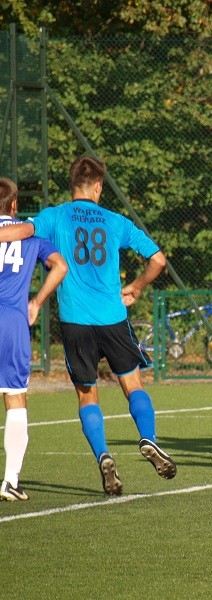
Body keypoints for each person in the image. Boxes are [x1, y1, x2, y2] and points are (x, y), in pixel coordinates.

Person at [0, 156, 176, 496]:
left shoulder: (55, 216)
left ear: (72, 186)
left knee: (86, 393)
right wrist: (137, 287)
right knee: (133, 384)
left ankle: (103, 455)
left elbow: (20, 231)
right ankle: (148, 438)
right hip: (112, 317)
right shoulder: (116, 221)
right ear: (98, 187)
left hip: (75, 321)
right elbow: (158, 259)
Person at [0, 179, 68, 501]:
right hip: (12, 323)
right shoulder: (32, 237)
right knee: (15, 398)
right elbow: (61, 266)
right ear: (14, 205)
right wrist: (37, 302)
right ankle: (10, 480)